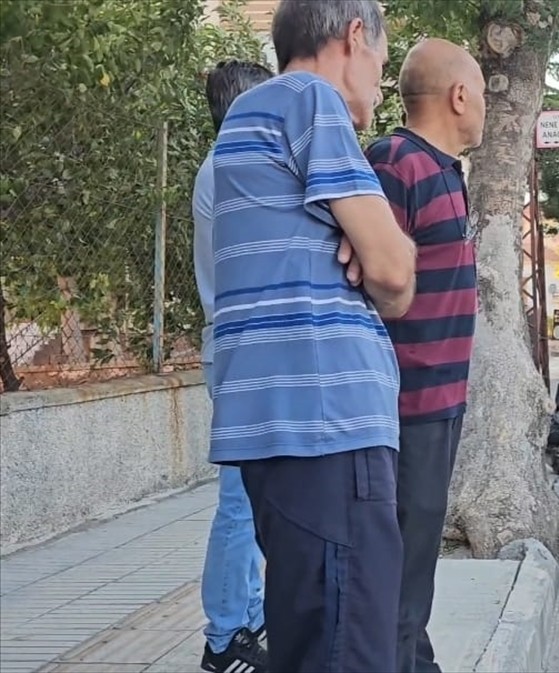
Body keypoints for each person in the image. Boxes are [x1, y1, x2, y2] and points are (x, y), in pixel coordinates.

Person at [208, 0, 418, 670]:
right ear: (354, 36)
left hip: (284, 432)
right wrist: (380, 244)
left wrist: (369, 242)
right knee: (349, 649)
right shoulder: (309, 99)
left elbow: (378, 264)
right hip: (328, 431)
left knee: (310, 644)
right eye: (382, 62)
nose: (382, 85)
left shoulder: (250, 116)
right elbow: (394, 276)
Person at [364, 38, 485, 673]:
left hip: (440, 402)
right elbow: (370, 281)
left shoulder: (444, 170)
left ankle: (416, 659)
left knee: (416, 559)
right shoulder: (397, 162)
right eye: (483, 93)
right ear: (460, 96)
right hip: (404, 405)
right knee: (401, 565)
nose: (485, 106)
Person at [192, 59, 273, 673]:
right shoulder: (228, 169)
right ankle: (223, 638)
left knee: (252, 495)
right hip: (240, 351)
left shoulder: (225, 166)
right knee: (241, 500)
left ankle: (247, 614)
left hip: (240, 349)